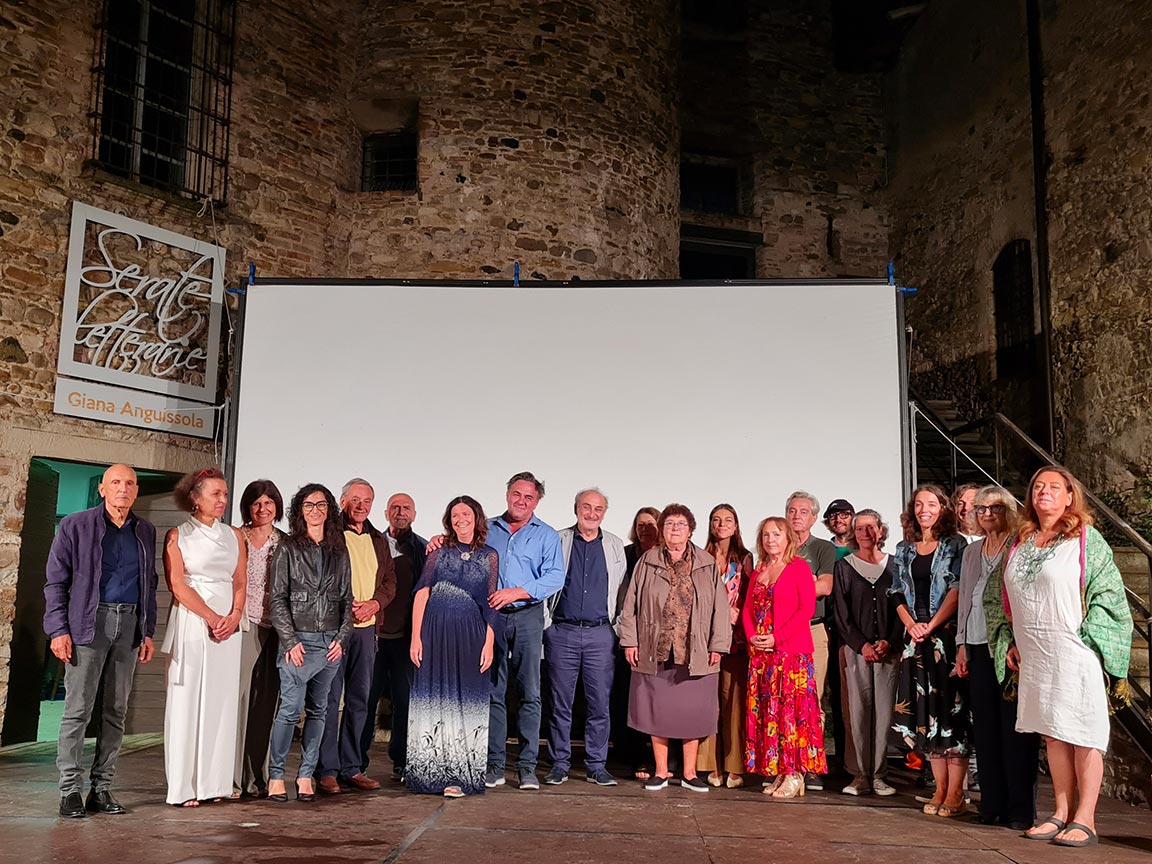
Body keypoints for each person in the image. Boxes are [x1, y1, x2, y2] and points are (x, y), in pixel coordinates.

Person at [1001, 467, 1133, 847]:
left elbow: (1110, 596)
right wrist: (1011, 640)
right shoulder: (1021, 540)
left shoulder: (1085, 540)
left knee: (1083, 732)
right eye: (1037, 486)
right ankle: (1059, 813)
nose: (1043, 492)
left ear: (1069, 497)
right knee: (1053, 733)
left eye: (1053, 487)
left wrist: (1092, 641)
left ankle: (1085, 818)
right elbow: (1006, 598)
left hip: (1076, 651)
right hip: (1035, 653)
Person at [427, 471, 564, 790]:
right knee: (493, 690)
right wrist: (438, 539)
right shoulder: (487, 528)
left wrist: (517, 591)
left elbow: (555, 577)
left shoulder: (546, 535)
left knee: (530, 692)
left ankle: (527, 766)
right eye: (517, 494)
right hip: (491, 617)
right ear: (507, 494)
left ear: (537, 500)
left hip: (528, 615)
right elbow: (459, 542)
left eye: (529, 497)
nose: (522, 501)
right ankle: (494, 765)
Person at [44, 463, 158, 818]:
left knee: (116, 711)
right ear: (103, 490)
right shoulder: (76, 525)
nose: (123, 489)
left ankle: (102, 787)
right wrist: (58, 629)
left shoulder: (145, 530)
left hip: (129, 624)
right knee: (78, 710)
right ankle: (69, 791)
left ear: (136, 491)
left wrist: (148, 630)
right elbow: (55, 581)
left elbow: (149, 583)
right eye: (116, 483)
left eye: (130, 483)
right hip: (87, 623)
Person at [618, 503, 730, 793]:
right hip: (657, 649)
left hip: (695, 651)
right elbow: (629, 603)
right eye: (669, 524)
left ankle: (690, 774)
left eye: (681, 524)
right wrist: (630, 639)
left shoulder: (706, 563)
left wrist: (718, 644)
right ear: (662, 530)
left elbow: (720, 607)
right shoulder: (647, 561)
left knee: (692, 713)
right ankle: (660, 771)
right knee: (658, 711)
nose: (675, 529)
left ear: (691, 530)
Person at [954, 486, 1038, 831]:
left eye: (995, 508)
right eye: (982, 509)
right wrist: (960, 643)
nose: (987, 514)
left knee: (1015, 728)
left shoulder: (1020, 546)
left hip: (1008, 647)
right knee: (985, 729)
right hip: (975, 645)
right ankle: (991, 805)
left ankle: (1020, 810)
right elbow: (965, 600)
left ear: (1009, 510)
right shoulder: (972, 551)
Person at [162, 468, 247, 806]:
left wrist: (234, 616)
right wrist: (212, 617)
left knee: (221, 701)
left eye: (225, 494)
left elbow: (240, 580)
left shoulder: (234, 536)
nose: (223, 500)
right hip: (195, 624)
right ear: (195, 498)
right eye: (216, 494)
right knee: (189, 702)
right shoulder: (178, 535)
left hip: (229, 626)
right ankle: (183, 788)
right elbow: (178, 585)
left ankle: (215, 783)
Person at [407, 496, 499, 796]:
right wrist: (415, 637)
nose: (461, 519)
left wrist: (489, 644)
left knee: (467, 700)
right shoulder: (438, 552)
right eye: (455, 514)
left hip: (471, 635)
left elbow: (491, 603)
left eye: (466, 514)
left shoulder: (490, 556)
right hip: (434, 632)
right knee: (433, 697)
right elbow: (422, 593)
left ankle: (461, 776)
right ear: (449, 519)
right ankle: (431, 772)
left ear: (477, 518)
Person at [267, 484, 353, 803]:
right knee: (289, 711)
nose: (315, 510)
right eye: (308, 505)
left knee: (319, 712)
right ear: (299, 511)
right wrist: (289, 640)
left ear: (329, 509)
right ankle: (276, 775)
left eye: (320, 504)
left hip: (329, 643)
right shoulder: (288, 548)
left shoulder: (338, 549)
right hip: (298, 644)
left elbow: (347, 599)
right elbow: (277, 600)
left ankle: (305, 775)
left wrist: (341, 639)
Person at [890, 484, 969, 817]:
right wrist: (911, 625)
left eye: (932, 504)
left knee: (950, 715)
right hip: (915, 639)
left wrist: (932, 624)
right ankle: (938, 790)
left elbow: (956, 589)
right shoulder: (904, 547)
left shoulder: (955, 544)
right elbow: (896, 592)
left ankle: (956, 795)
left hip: (944, 637)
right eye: (919, 504)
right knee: (927, 717)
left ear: (943, 508)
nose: (925, 509)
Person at [543, 488, 627, 787]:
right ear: (575, 508)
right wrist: (547, 626)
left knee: (599, 704)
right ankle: (560, 763)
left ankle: (596, 764)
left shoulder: (615, 545)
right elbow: (544, 580)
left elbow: (621, 592)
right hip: (562, 632)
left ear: (605, 512)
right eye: (586, 507)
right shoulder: (558, 540)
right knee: (560, 703)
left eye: (598, 509)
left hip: (600, 635)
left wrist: (615, 630)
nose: (592, 513)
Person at [317, 479, 396, 794]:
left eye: (367, 501)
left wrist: (376, 603)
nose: (361, 505)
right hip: (335, 630)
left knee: (360, 700)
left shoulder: (378, 539)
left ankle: (352, 767)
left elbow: (389, 580)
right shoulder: (329, 534)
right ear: (343, 500)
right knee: (328, 699)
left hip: (367, 632)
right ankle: (326, 770)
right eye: (355, 499)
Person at [744, 517, 827, 799]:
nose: (771, 540)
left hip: (790, 654)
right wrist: (752, 636)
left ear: (788, 538)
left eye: (776, 534)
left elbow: (805, 610)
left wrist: (776, 638)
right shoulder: (760, 570)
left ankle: (795, 772)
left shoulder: (798, 568)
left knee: (793, 713)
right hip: (762, 655)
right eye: (766, 535)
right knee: (772, 713)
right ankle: (781, 768)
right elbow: (747, 609)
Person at [833, 509, 901, 796]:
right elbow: (841, 612)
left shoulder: (896, 566)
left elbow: (902, 609)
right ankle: (859, 774)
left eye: (871, 527)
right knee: (857, 713)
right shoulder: (845, 567)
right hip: (855, 651)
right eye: (860, 528)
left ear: (881, 531)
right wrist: (861, 644)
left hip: (889, 650)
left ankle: (880, 774)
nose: (866, 533)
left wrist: (889, 641)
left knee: (884, 715)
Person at [362, 492, 427, 782]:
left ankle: (401, 761)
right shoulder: (372, 543)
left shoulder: (423, 550)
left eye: (406, 508)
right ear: (386, 513)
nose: (401, 512)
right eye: (395, 508)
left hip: (405, 639)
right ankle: (355, 762)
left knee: (404, 702)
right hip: (372, 636)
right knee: (364, 700)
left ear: (414, 514)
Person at [234, 479, 286, 798]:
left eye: (268, 503)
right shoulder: (235, 537)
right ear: (248, 507)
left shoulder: (287, 542)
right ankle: (234, 778)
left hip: (277, 629)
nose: (262, 509)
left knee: (267, 705)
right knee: (239, 704)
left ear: (276, 507)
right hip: (243, 625)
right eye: (256, 503)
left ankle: (260, 777)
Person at [697, 504, 754, 789]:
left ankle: (734, 765)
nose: (722, 524)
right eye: (716, 519)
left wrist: (735, 614)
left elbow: (752, 596)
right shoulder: (700, 556)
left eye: (728, 520)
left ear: (735, 525)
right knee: (708, 701)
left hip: (736, 639)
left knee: (734, 701)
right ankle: (710, 764)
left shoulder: (744, 558)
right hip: (704, 639)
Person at [785, 491, 837, 790]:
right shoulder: (777, 544)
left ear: (814, 518)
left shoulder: (822, 549)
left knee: (811, 701)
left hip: (812, 629)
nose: (796, 516)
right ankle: (786, 763)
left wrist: (788, 589)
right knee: (784, 700)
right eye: (791, 510)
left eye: (803, 511)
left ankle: (811, 764)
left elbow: (826, 587)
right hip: (781, 633)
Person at [613, 506, 661, 779]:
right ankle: (634, 755)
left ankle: (663, 758)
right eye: (640, 524)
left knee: (659, 699)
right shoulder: (626, 554)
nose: (645, 529)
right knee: (629, 697)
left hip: (659, 638)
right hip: (628, 635)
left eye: (650, 524)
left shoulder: (668, 554)